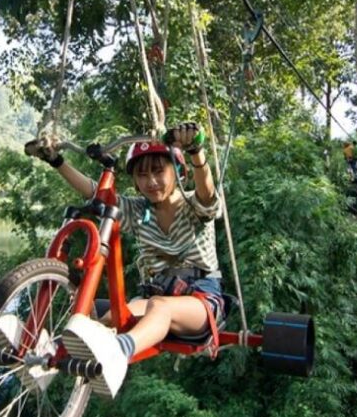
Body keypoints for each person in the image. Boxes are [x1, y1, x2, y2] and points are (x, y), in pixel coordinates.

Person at [25, 122, 223, 397]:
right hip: (157, 293)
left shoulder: (195, 205)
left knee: (160, 307)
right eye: (142, 175)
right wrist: (56, 160)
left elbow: (208, 193)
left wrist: (196, 151)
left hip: (201, 300)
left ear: (179, 173)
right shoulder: (139, 211)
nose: (151, 181)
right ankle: (43, 355)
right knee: (109, 318)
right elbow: (95, 192)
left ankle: (120, 352)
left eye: (158, 171)